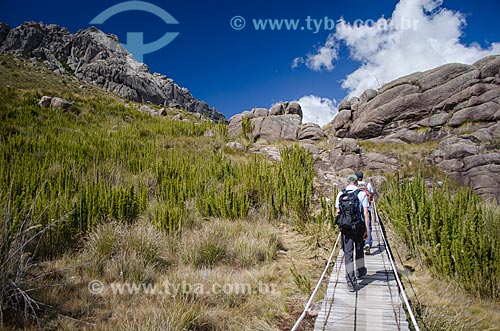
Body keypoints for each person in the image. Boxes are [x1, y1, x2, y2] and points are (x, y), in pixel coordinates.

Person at [335, 174, 370, 292]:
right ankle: (360, 271)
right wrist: (367, 230)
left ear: (347, 182)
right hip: (359, 227)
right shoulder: (361, 194)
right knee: (359, 250)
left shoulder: (341, 194)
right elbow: (366, 213)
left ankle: (350, 282)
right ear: (356, 183)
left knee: (348, 253)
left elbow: (337, 212)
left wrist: (341, 226)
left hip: (346, 228)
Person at [355, 170, 374, 255]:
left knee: (358, 226)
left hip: (357, 210)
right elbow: (371, 194)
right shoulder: (367, 185)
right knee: (368, 227)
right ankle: (367, 243)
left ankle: (359, 243)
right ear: (362, 177)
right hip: (367, 208)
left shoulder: (354, 185)